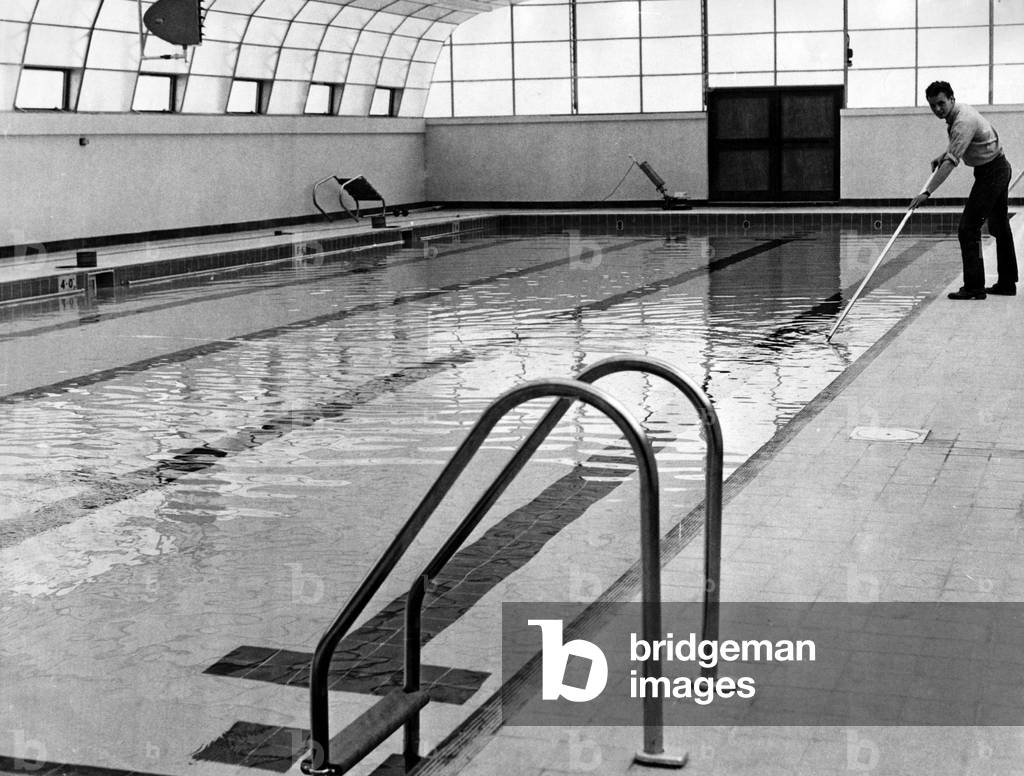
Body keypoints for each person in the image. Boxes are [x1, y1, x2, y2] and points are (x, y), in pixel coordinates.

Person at [908, 81, 1018, 299]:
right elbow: (958, 145)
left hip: (993, 173)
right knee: (999, 226)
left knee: (968, 229)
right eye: (933, 106)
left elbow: (951, 162)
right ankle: (1007, 283)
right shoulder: (958, 115)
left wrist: (927, 192)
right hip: (996, 168)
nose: (937, 109)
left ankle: (974, 287)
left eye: (941, 103)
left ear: (951, 99)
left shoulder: (962, 121)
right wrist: (944, 153)